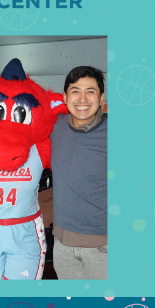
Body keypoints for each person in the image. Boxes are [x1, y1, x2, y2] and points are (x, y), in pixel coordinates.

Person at [52, 66, 108, 279]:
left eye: (90, 91)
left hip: (102, 248)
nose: (82, 98)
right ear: (65, 97)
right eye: (75, 91)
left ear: (101, 97)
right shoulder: (53, 128)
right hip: (61, 245)